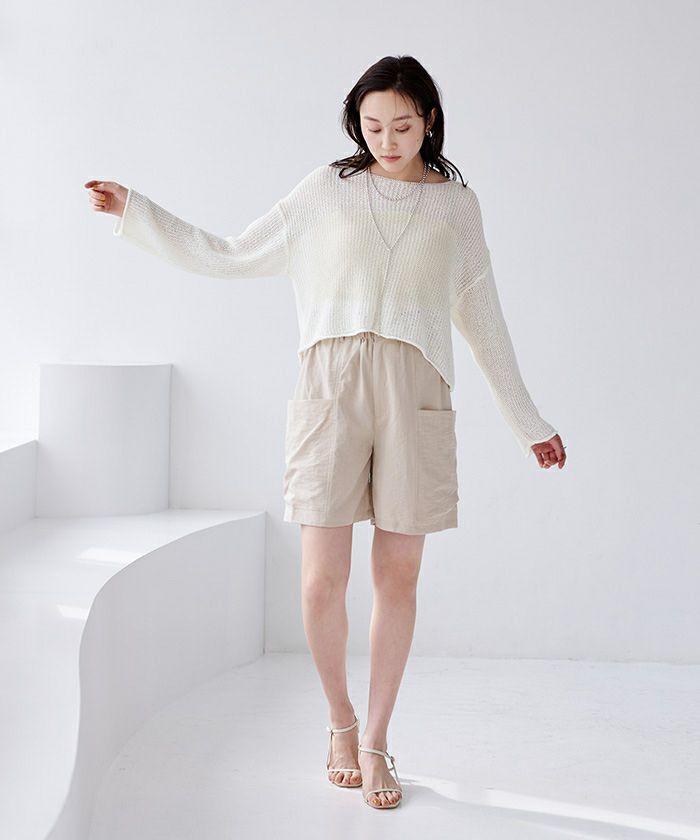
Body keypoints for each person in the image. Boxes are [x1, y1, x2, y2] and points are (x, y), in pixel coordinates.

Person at [84, 54, 566, 811]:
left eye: (402, 125)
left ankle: (376, 739)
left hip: (416, 395)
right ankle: (339, 722)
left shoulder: (457, 208)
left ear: (429, 120)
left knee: (398, 577)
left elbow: (484, 320)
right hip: (329, 391)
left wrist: (527, 421)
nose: (387, 140)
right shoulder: (325, 191)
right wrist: (136, 211)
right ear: (356, 123)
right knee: (320, 581)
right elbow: (232, 255)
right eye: (372, 126)